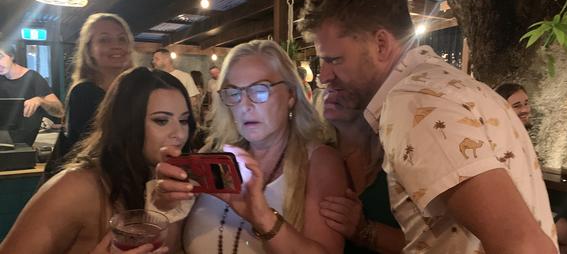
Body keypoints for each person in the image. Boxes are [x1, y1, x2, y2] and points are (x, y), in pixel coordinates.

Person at [299, 0, 557, 253]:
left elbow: (525, 246)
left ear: (381, 44)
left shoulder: (415, 102)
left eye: (334, 59)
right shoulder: (447, 85)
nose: (324, 76)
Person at [153, 39, 348, 253]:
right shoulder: (213, 156)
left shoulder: (319, 161)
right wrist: (167, 210)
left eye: (260, 90)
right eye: (234, 93)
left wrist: (262, 217)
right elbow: (170, 247)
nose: (245, 106)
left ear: (291, 94)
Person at [0, 67, 196, 254]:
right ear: (126, 122)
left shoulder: (176, 191)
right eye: (161, 120)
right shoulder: (76, 187)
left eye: (184, 120)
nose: (179, 134)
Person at [496, 82, 567, 254]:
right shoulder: (504, 142)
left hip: (531, 209)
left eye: (526, 103)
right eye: (517, 106)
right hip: (517, 215)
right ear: (502, 110)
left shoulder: (520, 138)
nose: (525, 109)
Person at [43, 13, 134, 180]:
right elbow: (99, 151)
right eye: (104, 40)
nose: (116, 46)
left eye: (122, 39)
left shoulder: (132, 92)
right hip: (78, 186)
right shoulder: (84, 92)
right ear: (89, 50)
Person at [319, 87, 405, 253]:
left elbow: (430, 242)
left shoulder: (398, 158)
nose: (332, 89)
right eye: (329, 85)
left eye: (345, 84)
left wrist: (365, 230)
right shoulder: (313, 156)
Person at [0, 41, 64, 145]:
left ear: (11, 55)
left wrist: (40, 100)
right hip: (4, 143)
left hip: (28, 144)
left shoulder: (33, 78)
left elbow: (60, 111)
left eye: (0, 57)